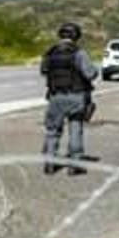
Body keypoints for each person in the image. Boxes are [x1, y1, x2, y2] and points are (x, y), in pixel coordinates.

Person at [41, 22, 98, 175]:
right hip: (76, 96)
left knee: (53, 130)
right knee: (75, 129)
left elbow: (44, 71)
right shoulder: (79, 53)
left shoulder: (50, 52)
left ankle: (49, 163)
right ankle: (75, 165)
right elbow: (90, 74)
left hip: (55, 96)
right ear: (76, 36)